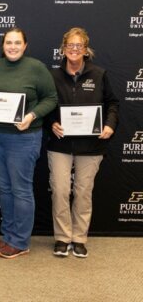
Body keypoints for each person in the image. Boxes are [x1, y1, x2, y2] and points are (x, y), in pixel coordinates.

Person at [0, 27, 57, 259]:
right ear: (2, 45)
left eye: (17, 43)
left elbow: (51, 98)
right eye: (8, 43)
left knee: (21, 190)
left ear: (25, 45)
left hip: (24, 138)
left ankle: (20, 241)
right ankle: (8, 236)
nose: (12, 46)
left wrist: (32, 116)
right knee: (5, 189)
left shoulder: (36, 68)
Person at [47, 27, 118, 259]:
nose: (74, 50)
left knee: (83, 192)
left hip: (91, 146)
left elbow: (113, 104)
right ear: (63, 49)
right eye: (70, 46)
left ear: (86, 50)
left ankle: (79, 238)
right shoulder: (53, 76)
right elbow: (45, 103)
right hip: (60, 144)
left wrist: (109, 125)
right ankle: (62, 237)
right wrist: (51, 123)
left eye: (79, 46)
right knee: (60, 190)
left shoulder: (99, 74)